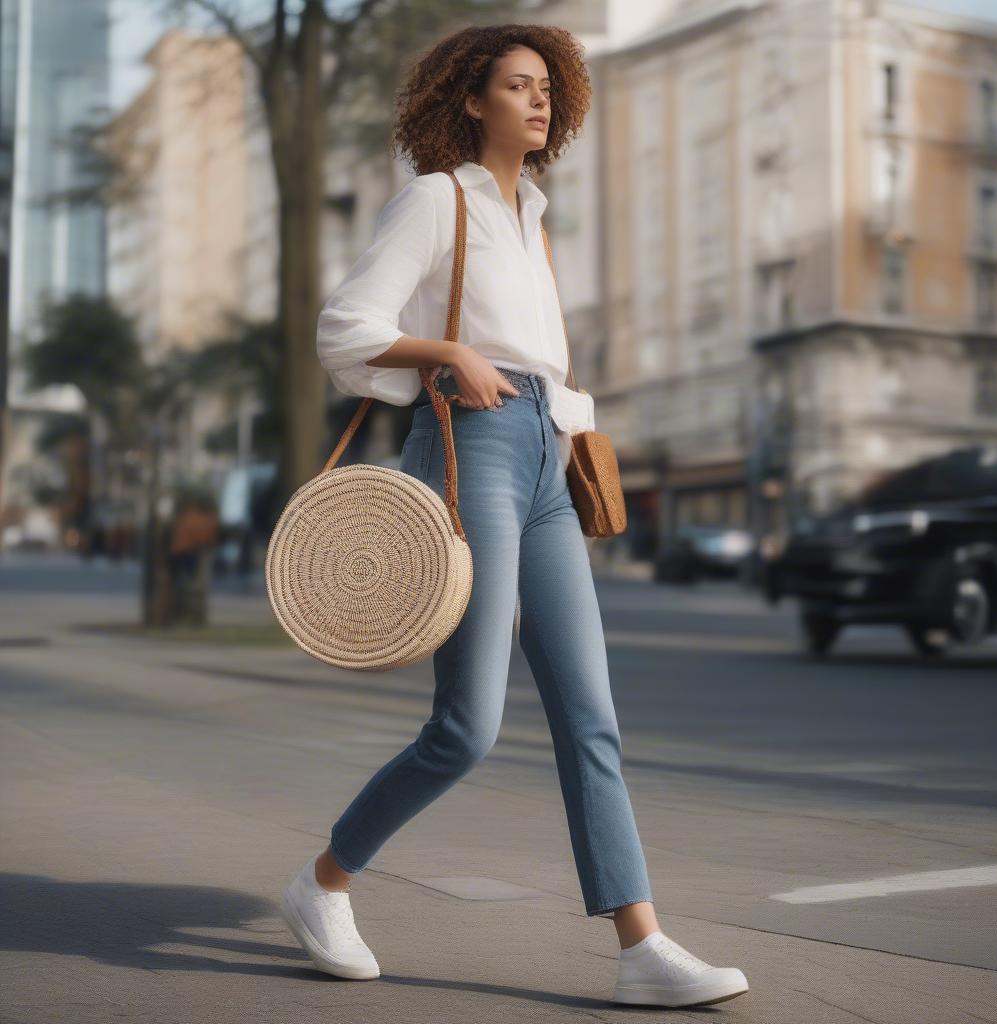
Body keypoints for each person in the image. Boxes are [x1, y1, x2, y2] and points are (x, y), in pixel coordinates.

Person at [280, 22, 750, 1009]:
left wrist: (569, 423)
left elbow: (540, 358)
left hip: (541, 457)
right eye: (517, 85)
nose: (539, 101)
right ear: (470, 100)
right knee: (468, 727)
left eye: (547, 87)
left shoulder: (532, 216)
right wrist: (447, 356)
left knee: (592, 719)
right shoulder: (436, 199)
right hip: (470, 449)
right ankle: (323, 882)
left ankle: (641, 946)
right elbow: (347, 327)